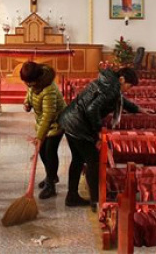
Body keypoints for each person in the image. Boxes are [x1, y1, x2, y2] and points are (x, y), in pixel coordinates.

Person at [57, 67, 143, 211]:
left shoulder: (108, 82)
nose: (128, 89)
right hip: (78, 126)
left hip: (69, 121)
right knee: (94, 161)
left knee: (78, 160)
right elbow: (92, 110)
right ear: (122, 79)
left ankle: (72, 196)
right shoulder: (112, 88)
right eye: (129, 85)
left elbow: (119, 100)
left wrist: (137, 109)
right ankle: (96, 200)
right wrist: (98, 131)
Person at [20, 61, 66, 199]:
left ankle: (51, 185)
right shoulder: (34, 83)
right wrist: (27, 103)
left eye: (29, 82)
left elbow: (48, 115)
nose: (28, 85)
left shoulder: (49, 90)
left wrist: (39, 137)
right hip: (44, 124)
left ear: (37, 79)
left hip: (56, 123)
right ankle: (51, 176)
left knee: (49, 152)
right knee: (43, 153)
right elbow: (30, 93)